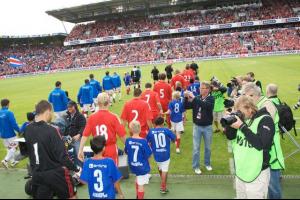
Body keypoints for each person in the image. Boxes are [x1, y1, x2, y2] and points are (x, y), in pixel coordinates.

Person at [24, 100, 79, 199]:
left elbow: (27, 152)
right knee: (71, 196)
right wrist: (76, 169)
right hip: (55, 174)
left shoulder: (27, 130)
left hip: (37, 174)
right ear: (47, 111)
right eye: (52, 112)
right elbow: (63, 157)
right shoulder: (52, 130)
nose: (52, 115)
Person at [223, 96, 275, 199]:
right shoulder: (243, 119)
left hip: (258, 173)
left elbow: (260, 144)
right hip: (241, 171)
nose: (240, 115)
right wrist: (230, 124)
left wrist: (242, 127)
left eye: (241, 112)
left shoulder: (265, 120)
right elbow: (230, 136)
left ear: (250, 109)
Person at [78, 93, 126, 165]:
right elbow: (122, 135)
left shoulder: (92, 117)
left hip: (97, 150)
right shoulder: (113, 117)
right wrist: (127, 146)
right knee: (112, 172)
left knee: (100, 169)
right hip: (111, 148)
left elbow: (85, 135)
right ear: (108, 102)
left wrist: (80, 149)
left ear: (97, 103)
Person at [184, 81, 215, 175]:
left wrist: (193, 98)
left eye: (203, 88)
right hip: (197, 127)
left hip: (208, 127)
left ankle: (207, 163)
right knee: (196, 148)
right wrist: (186, 97)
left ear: (208, 89)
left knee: (208, 148)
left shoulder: (211, 98)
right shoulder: (197, 98)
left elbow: (205, 105)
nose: (200, 89)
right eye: (200, 88)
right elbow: (186, 106)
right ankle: (196, 166)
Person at [146, 117, 176, 194]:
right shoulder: (166, 130)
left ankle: (162, 178)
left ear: (155, 124)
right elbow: (174, 139)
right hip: (165, 153)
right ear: (162, 123)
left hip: (156, 154)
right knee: (165, 169)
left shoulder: (151, 131)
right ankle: (163, 187)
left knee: (160, 167)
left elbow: (148, 142)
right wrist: (172, 133)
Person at [266, 84, 285, 199]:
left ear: (267, 91)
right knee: (272, 185)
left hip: (272, 155)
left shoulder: (269, 105)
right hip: (274, 147)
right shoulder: (277, 101)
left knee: (273, 187)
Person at [125, 121, 152, 199]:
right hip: (141, 166)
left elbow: (126, 151)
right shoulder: (143, 141)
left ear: (130, 130)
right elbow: (148, 155)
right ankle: (139, 196)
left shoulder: (128, 140)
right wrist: (149, 164)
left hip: (132, 165)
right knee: (141, 185)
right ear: (140, 129)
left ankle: (137, 195)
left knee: (138, 179)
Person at [65, 101, 86, 167]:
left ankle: (82, 169)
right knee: (63, 152)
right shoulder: (66, 115)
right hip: (68, 139)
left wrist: (79, 134)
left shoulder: (80, 116)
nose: (69, 108)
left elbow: (83, 127)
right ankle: (69, 168)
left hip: (77, 139)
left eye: (70, 107)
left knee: (79, 154)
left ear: (75, 107)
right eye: (68, 107)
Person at [0, 99, 20, 168]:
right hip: (10, 134)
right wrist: (19, 130)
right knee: (14, 147)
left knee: (9, 148)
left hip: (3, 134)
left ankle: (13, 161)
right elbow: (14, 124)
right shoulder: (9, 113)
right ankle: (5, 161)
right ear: (8, 104)